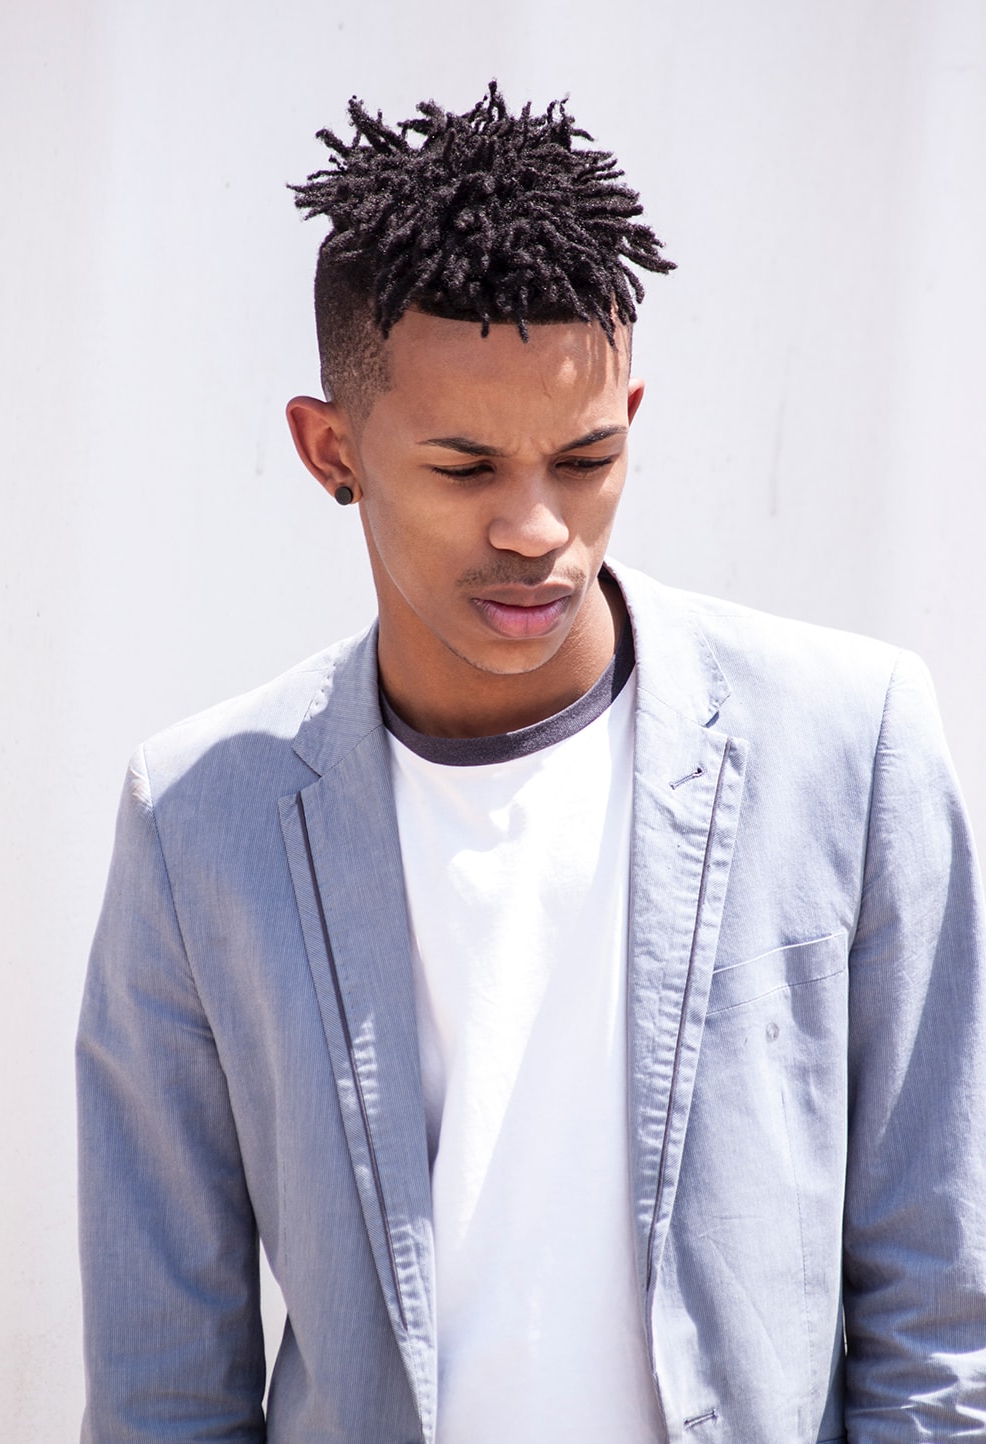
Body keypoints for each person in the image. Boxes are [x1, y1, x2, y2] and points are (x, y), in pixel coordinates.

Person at [76, 83, 986, 1443]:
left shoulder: (850, 744)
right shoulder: (199, 819)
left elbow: (943, 1321)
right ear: (331, 451)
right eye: (464, 468)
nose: (537, 527)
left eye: (585, 458)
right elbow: (162, 1381)